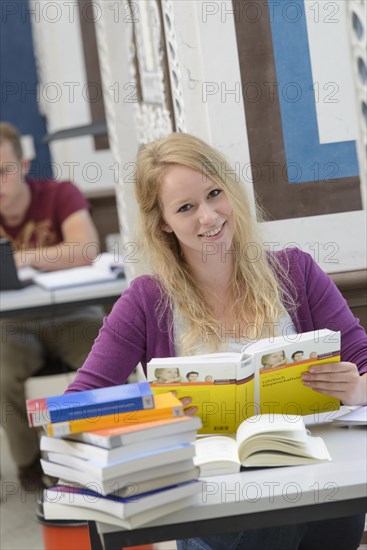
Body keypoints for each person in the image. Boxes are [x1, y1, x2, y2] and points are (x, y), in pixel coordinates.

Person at [66, 133, 367, 549]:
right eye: (186, 208)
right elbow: (75, 406)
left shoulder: (296, 272)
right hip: (213, 499)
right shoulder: (146, 301)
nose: (208, 217)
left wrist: (358, 386)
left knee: (328, 512)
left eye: (214, 194)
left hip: (310, 473)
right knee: (269, 521)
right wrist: (150, 410)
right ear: (163, 224)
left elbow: (364, 363)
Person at [0, 122, 104, 491]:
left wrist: (22, 258)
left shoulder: (60, 193)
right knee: (2, 369)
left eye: (2, 172)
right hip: (10, 325)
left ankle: (107, 448)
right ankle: (30, 466)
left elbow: (85, 249)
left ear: (24, 165)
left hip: (72, 313)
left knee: (105, 354)